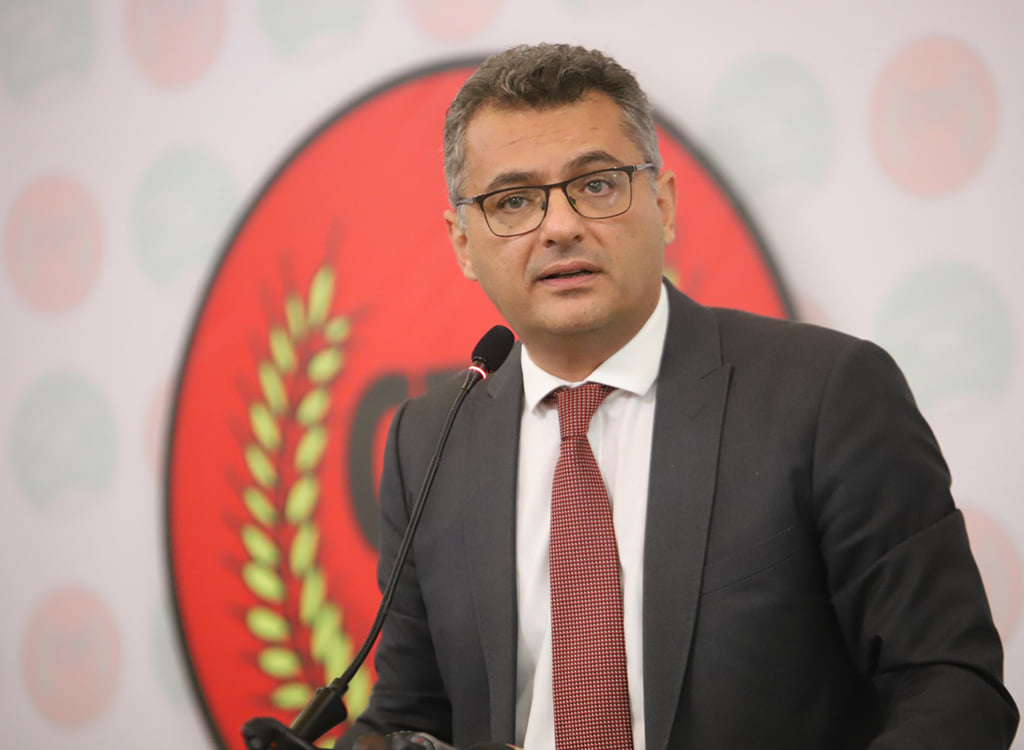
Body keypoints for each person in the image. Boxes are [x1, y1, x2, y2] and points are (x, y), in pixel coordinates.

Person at [339, 43, 1018, 749]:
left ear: (662, 205)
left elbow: (951, 683)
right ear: (462, 243)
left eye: (597, 185)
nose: (561, 227)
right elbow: (408, 714)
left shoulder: (826, 395)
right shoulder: (430, 439)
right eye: (513, 201)